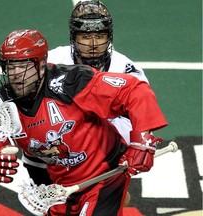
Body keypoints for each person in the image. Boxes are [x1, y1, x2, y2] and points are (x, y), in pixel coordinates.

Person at [0, 29, 167, 216]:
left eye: (24, 66)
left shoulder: (72, 82)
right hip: (62, 186)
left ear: (41, 65)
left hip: (106, 173)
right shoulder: (3, 108)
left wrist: (142, 140)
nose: (16, 74)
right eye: (10, 67)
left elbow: (134, 90)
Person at [21, 0, 148, 205]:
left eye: (99, 36)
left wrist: (139, 144)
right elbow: (20, 95)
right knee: (52, 206)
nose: (93, 44)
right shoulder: (52, 60)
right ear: (74, 37)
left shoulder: (126, 70)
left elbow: (140, 114)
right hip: (49, 146)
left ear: (109, 37)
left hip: (100, 149)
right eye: (85, 36)